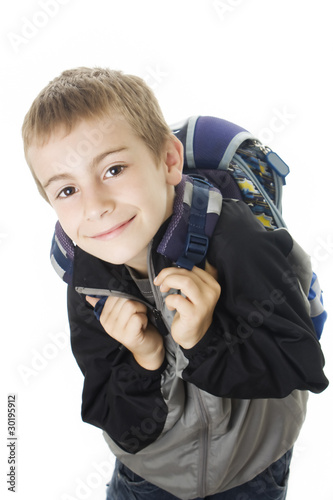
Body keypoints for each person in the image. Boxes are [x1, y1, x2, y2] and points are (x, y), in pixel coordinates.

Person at [22, 67, 328, 500]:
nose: (96, 207)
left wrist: (205, 342)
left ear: (169, 160)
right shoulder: (87, 275)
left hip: (250, 473)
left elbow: (302, 367)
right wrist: (144, 358)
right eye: (67, 191)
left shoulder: (236, 240)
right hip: (148, 478)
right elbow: (118, 421)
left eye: (113, 169)